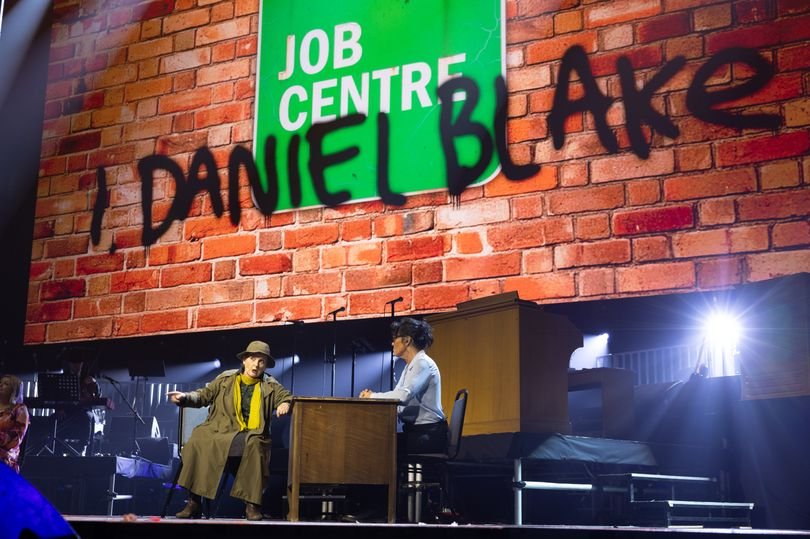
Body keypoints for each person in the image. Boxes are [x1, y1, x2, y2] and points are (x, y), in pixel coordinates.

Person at [167, 340, 292, 521]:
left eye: (261, 361)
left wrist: (284, 403)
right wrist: (185, 397)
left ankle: (252, 505)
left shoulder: (270, 384)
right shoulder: (226, 379)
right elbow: (203, 395)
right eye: (253, 359)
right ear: (244, 360)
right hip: (221, 430)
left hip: (251, 433)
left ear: (265, 365)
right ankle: (194, 502)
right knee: (198, 438)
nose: (256, 365)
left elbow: (285, 396)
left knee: (256, 445)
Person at [359, 318, 447, 454]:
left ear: (407, 341)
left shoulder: (422, 363)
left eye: (395, 338)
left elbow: (403, 396)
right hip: (418, 432)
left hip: (429, 434)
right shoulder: (410, 366)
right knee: (379, 443)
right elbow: (398, 399)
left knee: (382, 449)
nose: (392, 342)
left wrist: (372, 396)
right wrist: (374, 399)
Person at [0, 374, 30, 473]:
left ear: (14, 390)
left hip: (6, 457)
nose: (1, 385)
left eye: (6, 384)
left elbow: (16, 437)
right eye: (1, 383)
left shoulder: (19, 409)